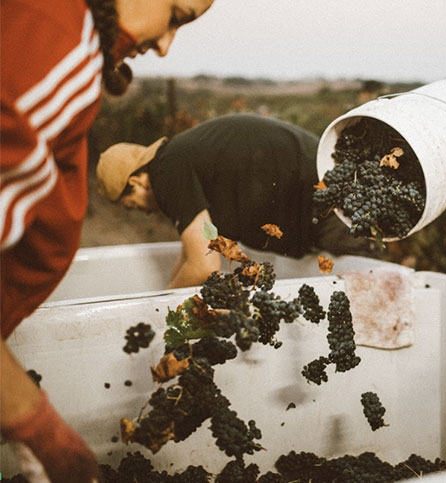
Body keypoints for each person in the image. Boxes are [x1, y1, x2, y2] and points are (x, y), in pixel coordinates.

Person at [0, 0, 215, 481]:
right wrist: (37, 425)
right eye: (176, 17)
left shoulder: (54, 41)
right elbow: (206, 255)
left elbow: (207, 251)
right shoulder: (57, 48)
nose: (164, 47)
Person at [95, 113, 381, 289]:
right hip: (318, 194)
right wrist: (173, 287)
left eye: (133, 205)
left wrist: (161, 310)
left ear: (136, 182)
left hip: (325, 197)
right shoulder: (181, 160)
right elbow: (196, 251)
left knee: (371, 289)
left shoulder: (166, 170)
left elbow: (203, 268)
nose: (144, 213)